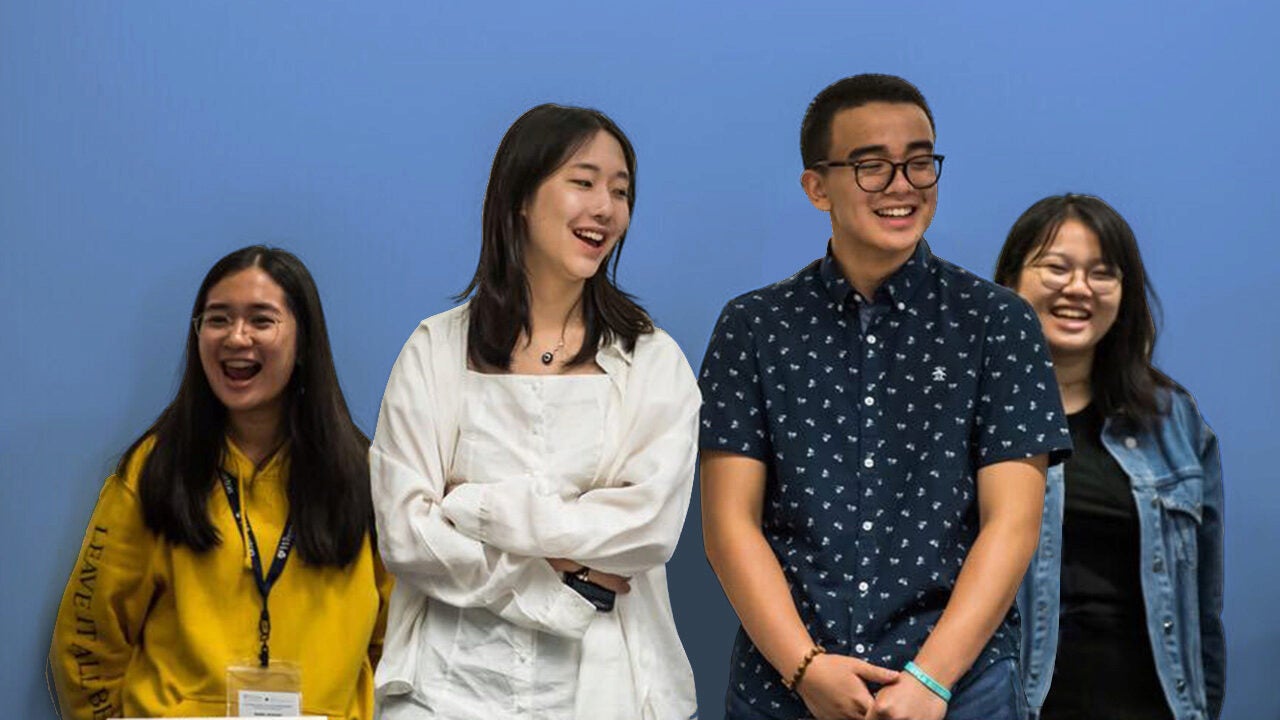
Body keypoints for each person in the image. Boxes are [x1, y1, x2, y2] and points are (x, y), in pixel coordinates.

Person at [698, 74, 1073, 720]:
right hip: (785, 688)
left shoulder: (996, 322)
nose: (902, 185)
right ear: (817, 187)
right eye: (871, 166)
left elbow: (1013, 523)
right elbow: (729, 523)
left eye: (920, 162)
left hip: (960, 689)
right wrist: (806, 669)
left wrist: (931, 678)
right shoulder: (754, 327)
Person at [370, 103, 698, 720]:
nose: (606, 208)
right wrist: (565, 577)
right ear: (521, 196)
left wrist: (473, 508)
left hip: (608, 691)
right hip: (444, 691)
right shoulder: (435, 349)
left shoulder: (653, 360)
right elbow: (405, 535)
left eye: (621, 191)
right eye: (584, 181)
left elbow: (647, 528)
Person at [49, 246, 392, 719]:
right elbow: (87, 641)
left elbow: (401, 642)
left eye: (261, 320)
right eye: (217, 319)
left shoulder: (365, 476)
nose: (236, 337)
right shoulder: (155, 471)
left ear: (304, 341)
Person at [997, 194, 1225, 720]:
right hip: (1013, 706)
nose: (1078, 288)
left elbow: (1203, 614)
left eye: (1103, 274)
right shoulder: (971, 418)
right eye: (1055, 268)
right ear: (1009, 282)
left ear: (1124, 294)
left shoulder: (1175, 421)